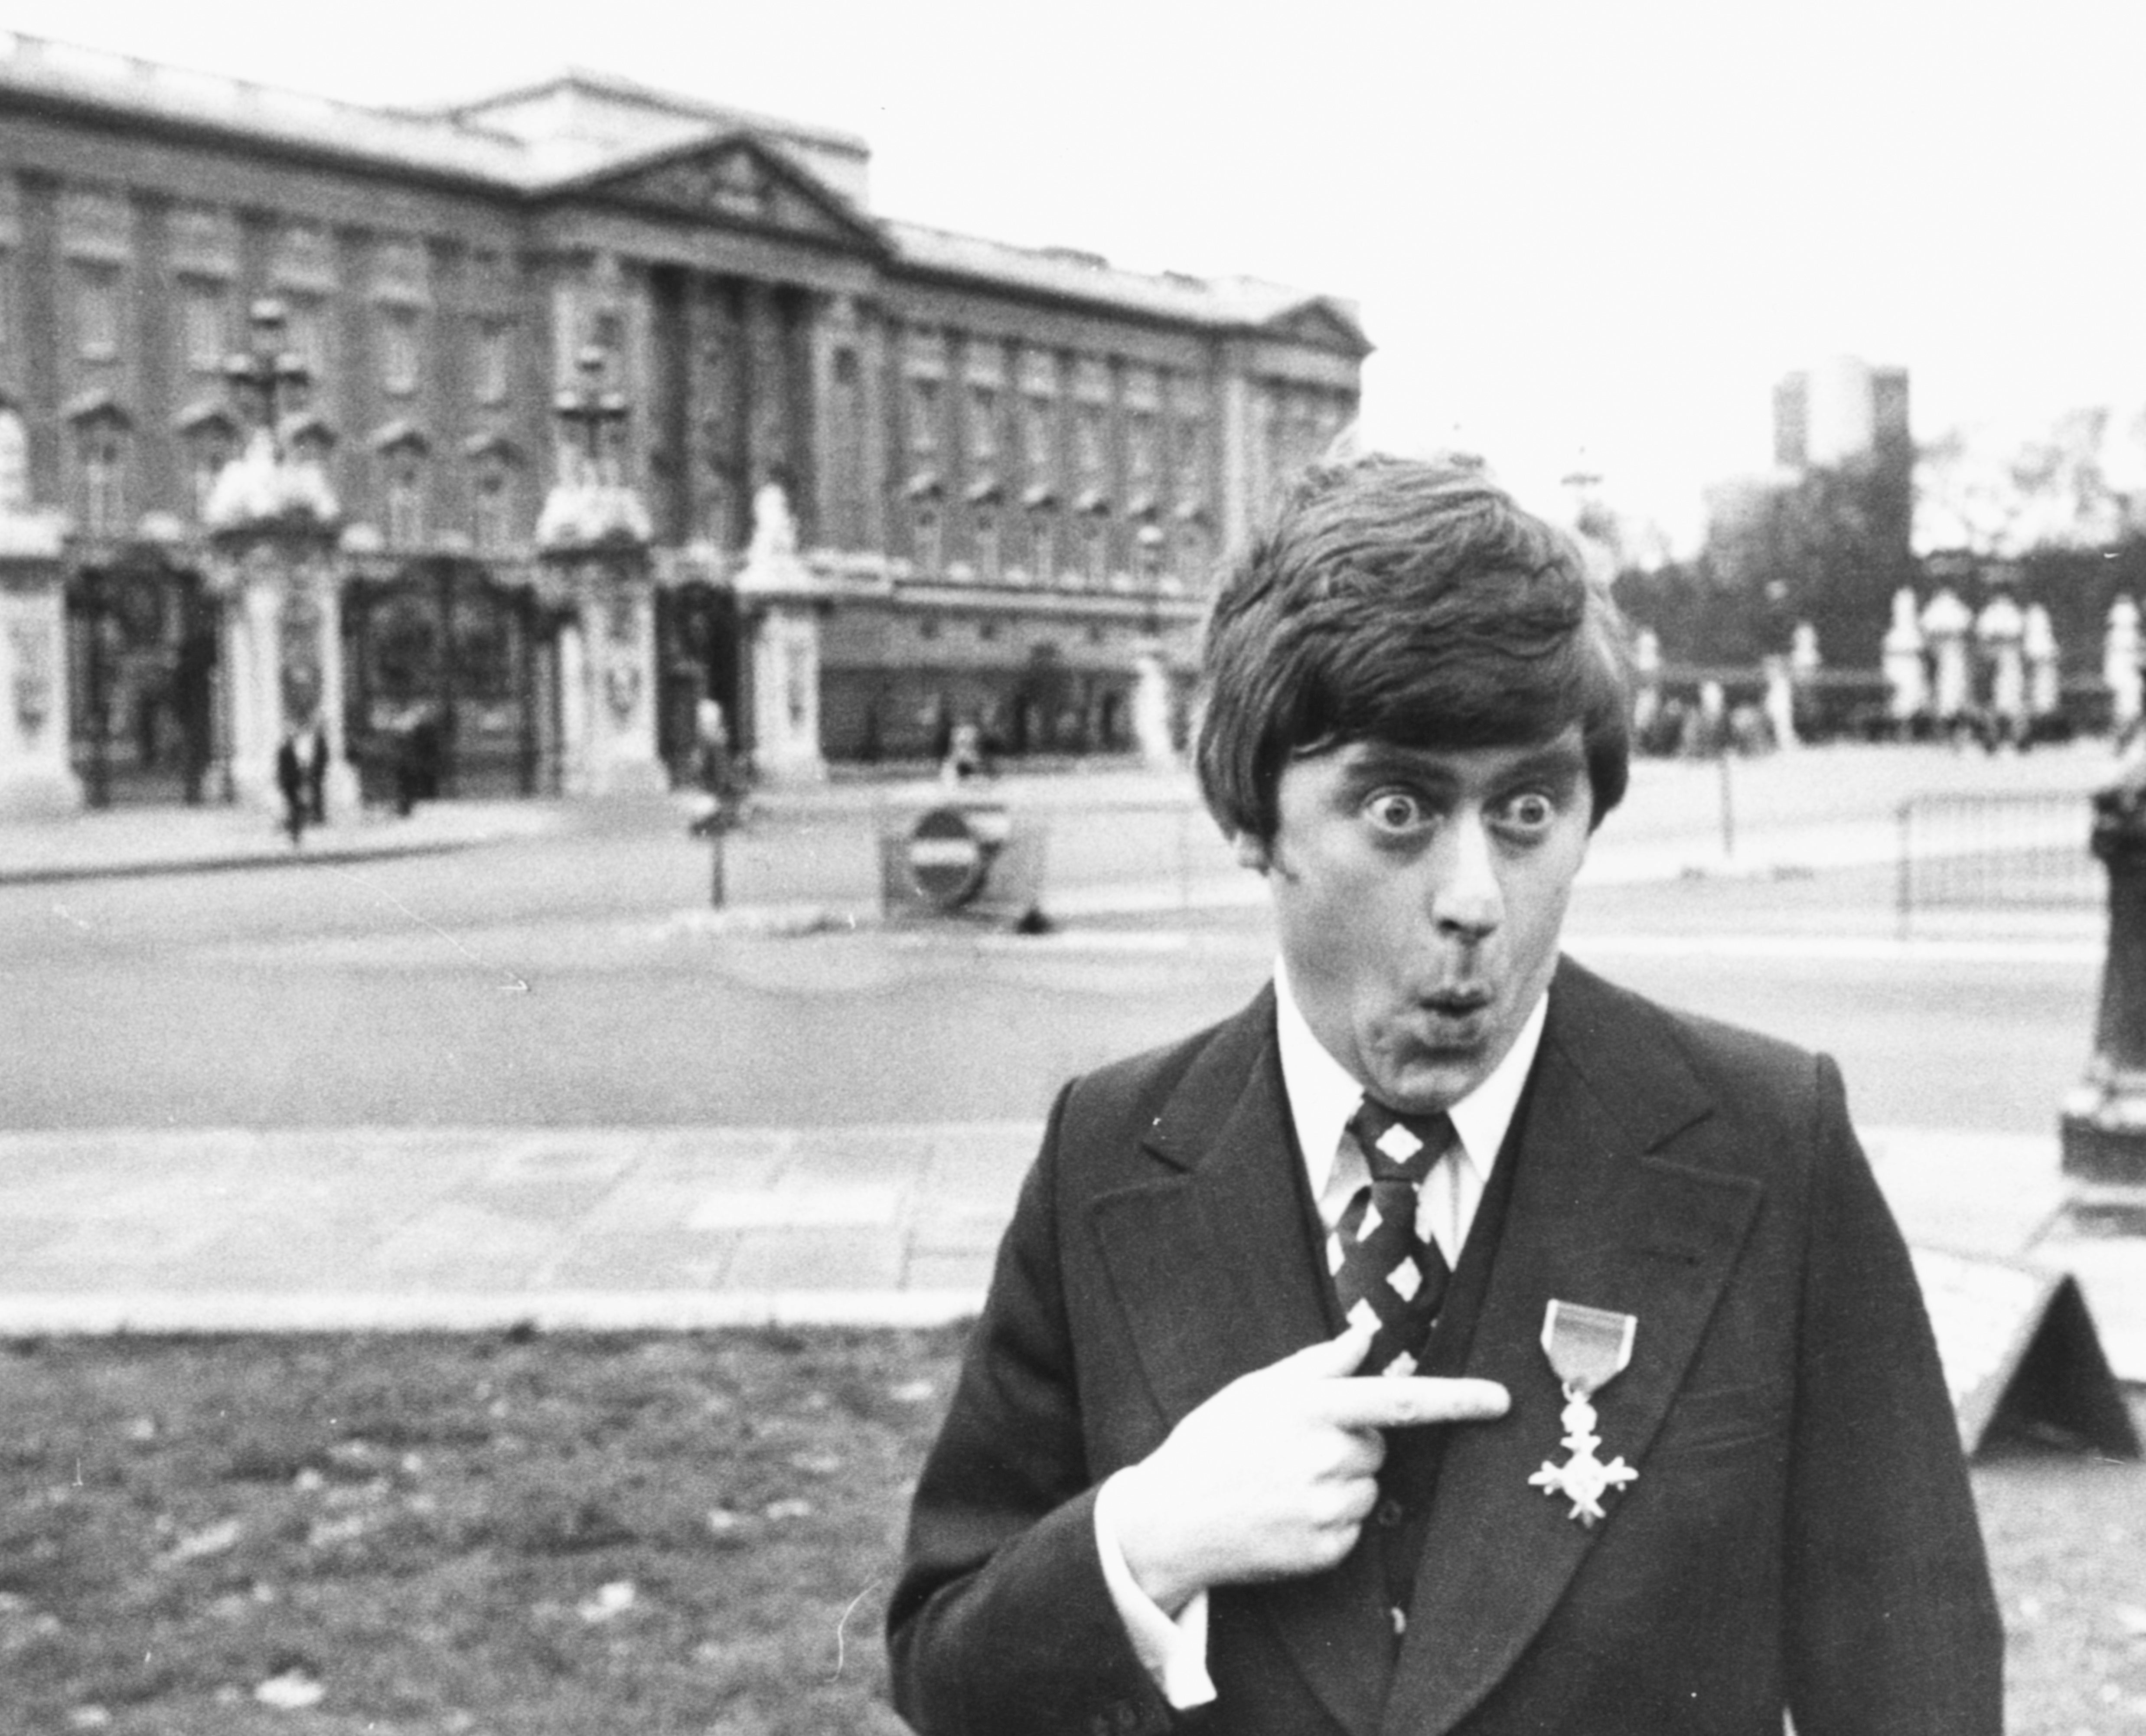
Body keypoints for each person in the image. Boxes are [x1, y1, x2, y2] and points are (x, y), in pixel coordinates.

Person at [887, 456, 2000, 1736]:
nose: (1476, 894)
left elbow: (1919, 1674)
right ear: (1253, 813)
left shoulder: (1765, 1140)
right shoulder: (1111, 1145)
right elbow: (944, 1663)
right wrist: (1147, 1536)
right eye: (1400, 805)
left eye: (1528, 808)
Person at [274, 718, 327, 845]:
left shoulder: (288, 748)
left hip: (292, 783)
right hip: (291, 783)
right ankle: (295, 833)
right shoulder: (287, 749)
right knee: (295, 807)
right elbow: (287, 767)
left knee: (296, 807)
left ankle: (295, 832)